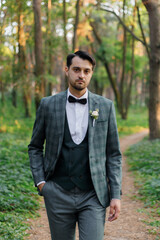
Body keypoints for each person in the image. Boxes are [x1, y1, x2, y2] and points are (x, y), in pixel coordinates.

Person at [28, 50, 122, 240]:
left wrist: (116, 195)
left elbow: (113, 154)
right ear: (67, 70)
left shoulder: (105, 106)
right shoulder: (48, 105)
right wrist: (41, 183)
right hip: (57, 193)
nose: (81, 75)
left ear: (91, 73)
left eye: (86, 71)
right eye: (77, 69)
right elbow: (35, 147)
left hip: (93, 194)